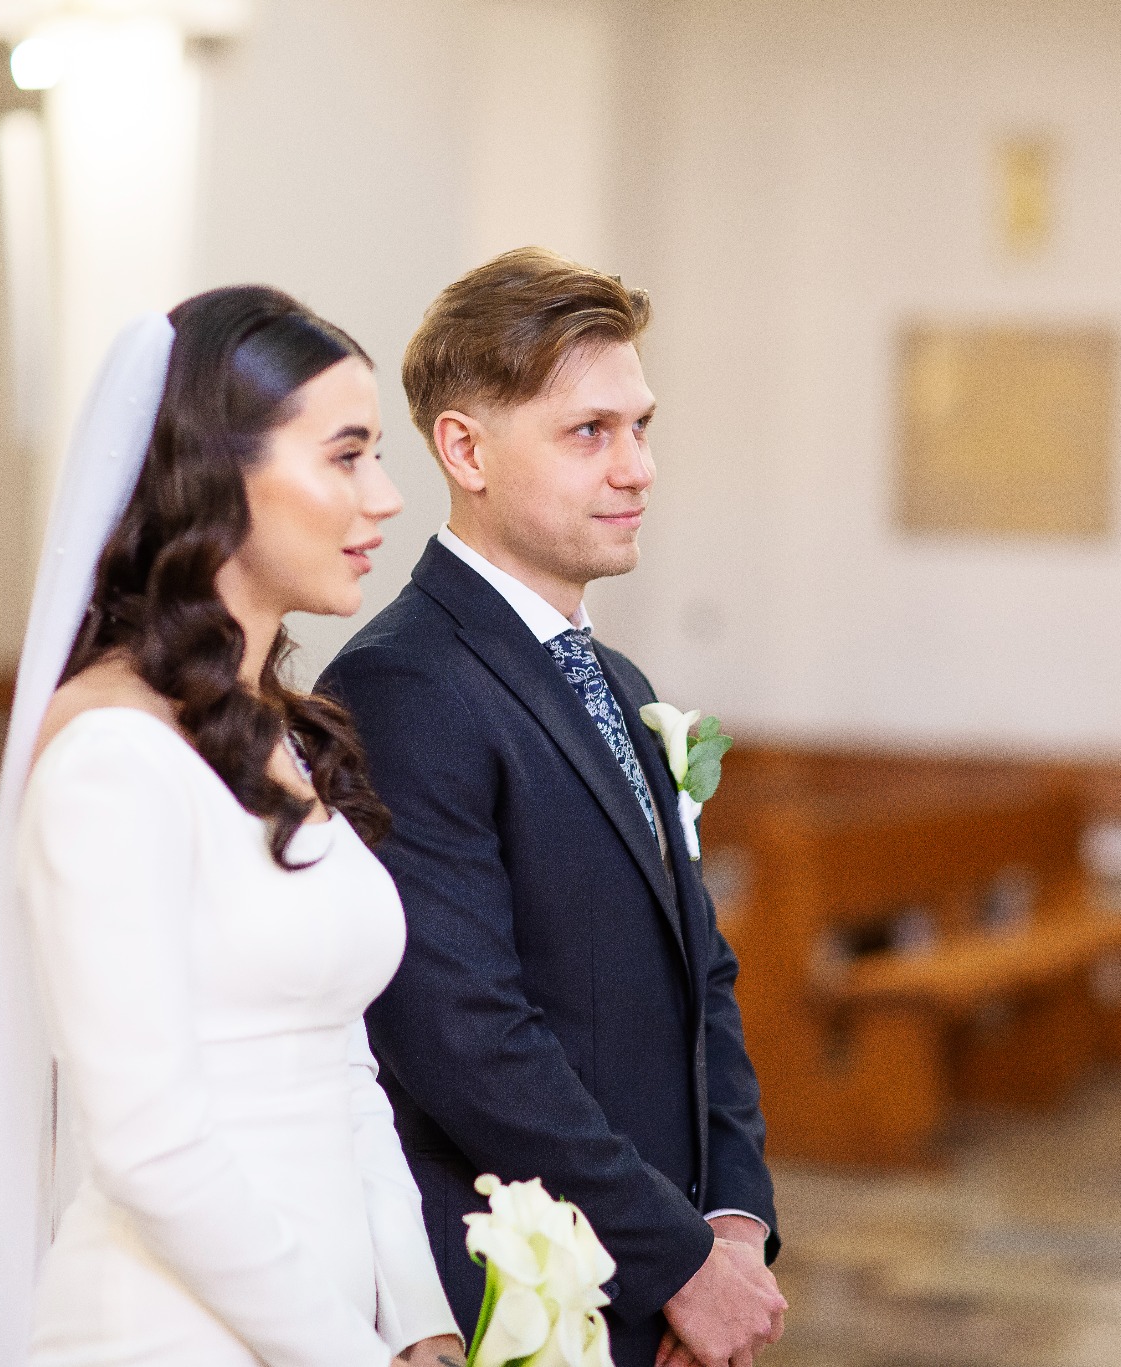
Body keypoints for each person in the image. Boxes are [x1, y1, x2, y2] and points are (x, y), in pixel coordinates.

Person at [0, 289, 462, 1367]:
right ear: (217, 472)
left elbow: (341, 1058)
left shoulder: (276, 728)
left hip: (336, 1318)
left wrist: (418, 1320)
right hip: (166, 1329)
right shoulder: (111, 758)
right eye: (347, 455)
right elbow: (150, 1143)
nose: (387, 496)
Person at [318, 248, 784, 1367]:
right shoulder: (406, 684)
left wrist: (733, 1218)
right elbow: (463, 1032)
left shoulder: (614, 681)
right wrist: (673, 1257)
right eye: (590, 432)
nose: (638, 467)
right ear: (464, 448)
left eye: (641, 425)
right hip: (526, 1284)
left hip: (658, 1270)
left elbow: (699, 975)